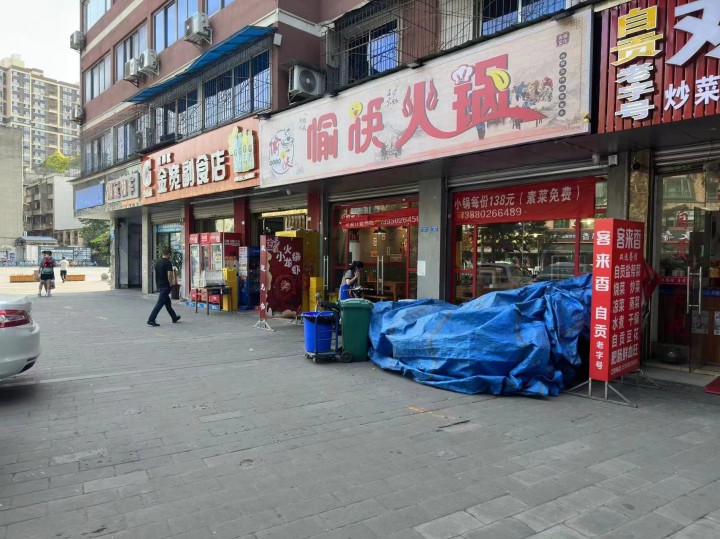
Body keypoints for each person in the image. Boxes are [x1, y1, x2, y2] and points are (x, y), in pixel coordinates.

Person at [147, 248, 181, 327]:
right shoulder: (168, 262)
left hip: (160, 285)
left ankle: (174, 317)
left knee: (167, 303)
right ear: (169, 254)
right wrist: (171, 284)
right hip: (165, 286)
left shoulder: (158, 262)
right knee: (160, 303)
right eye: (170, 255)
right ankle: (151, 319)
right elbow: (169, 274)